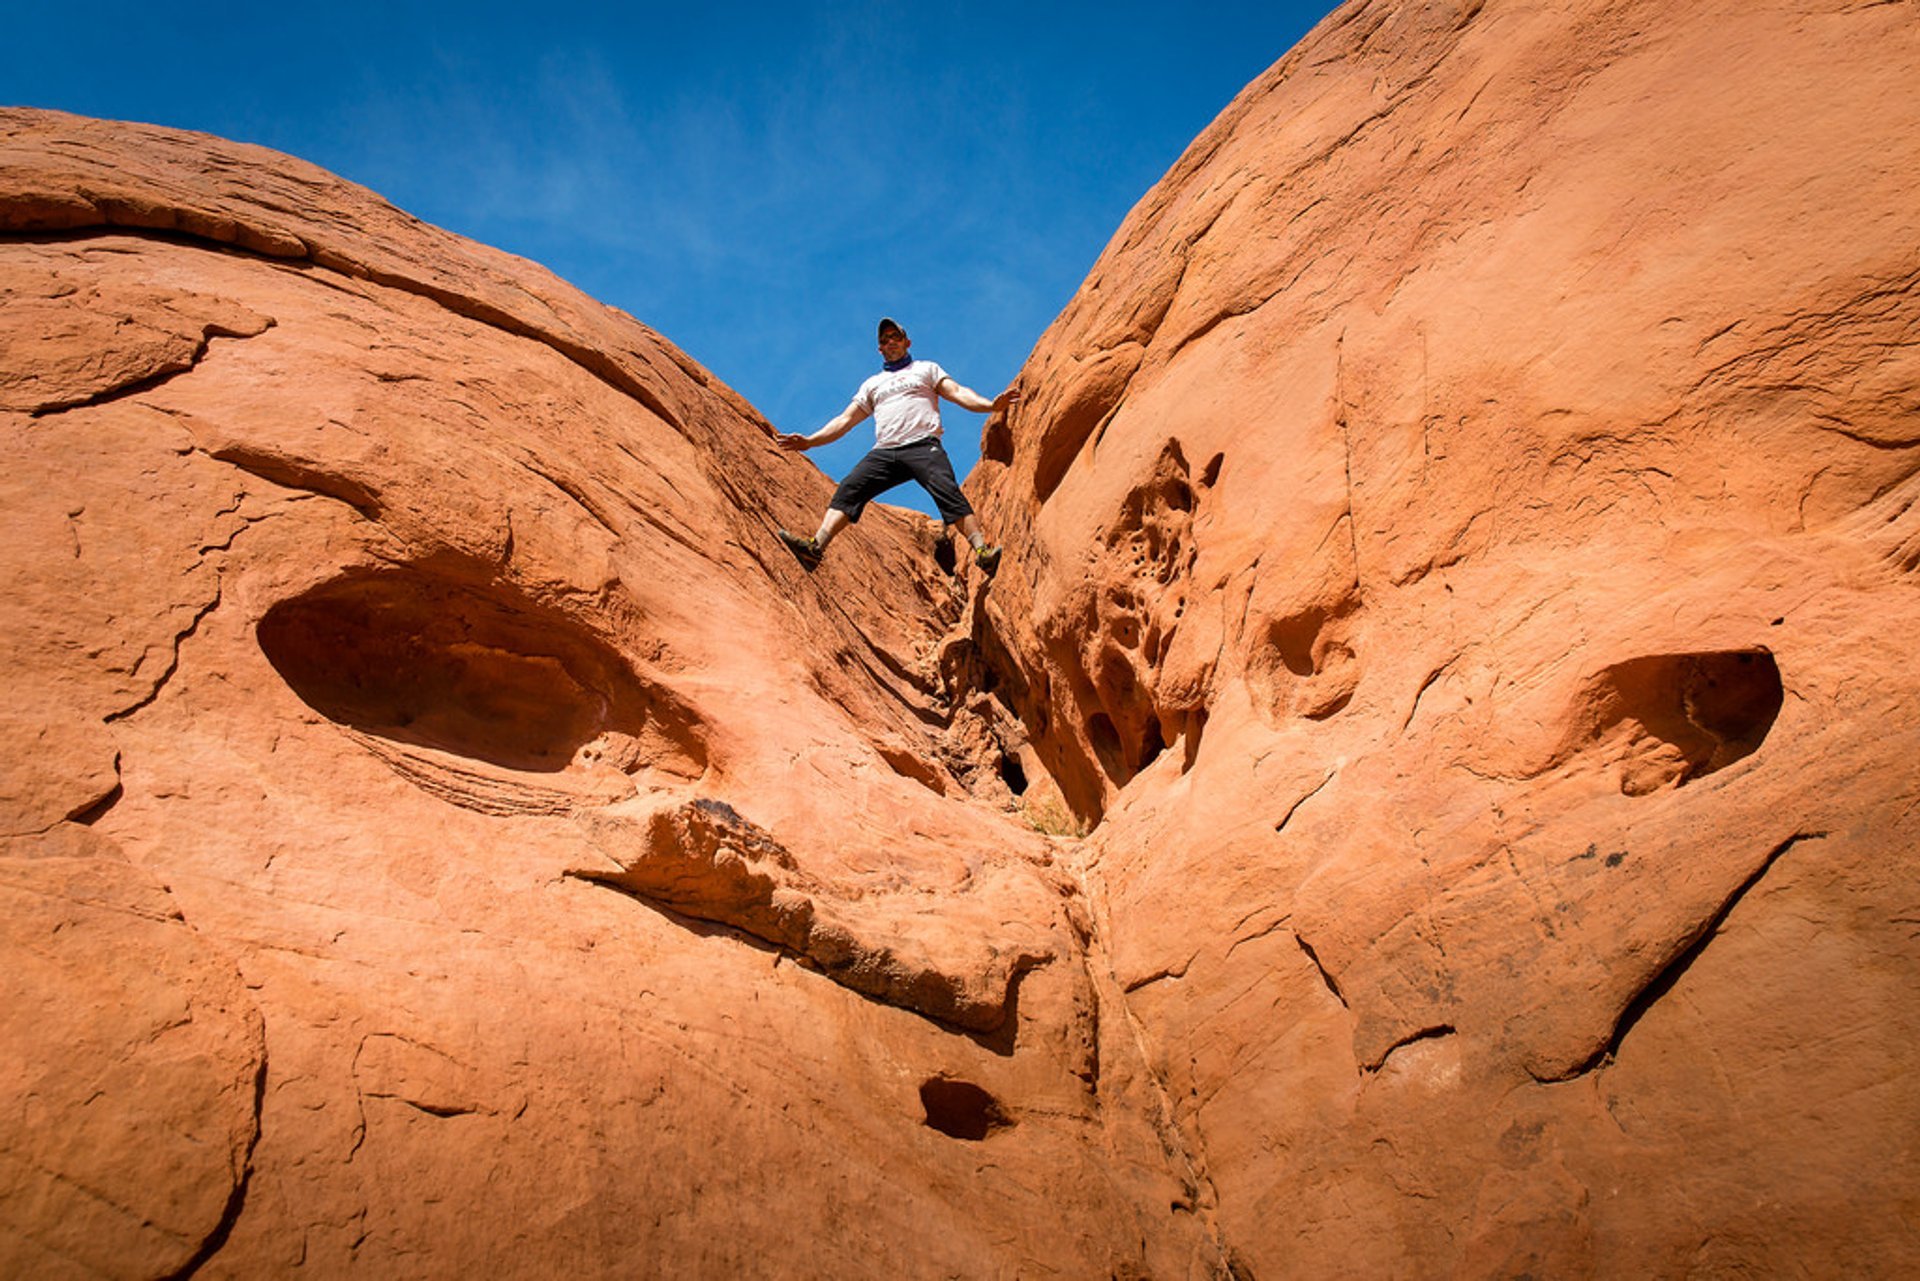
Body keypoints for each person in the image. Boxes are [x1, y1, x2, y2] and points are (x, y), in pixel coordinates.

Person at [776, 318, 1019, 573]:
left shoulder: (926, 369)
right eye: (884, 340)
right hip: (885, 451)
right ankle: (815, 548)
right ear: (879, 349)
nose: (890, 342)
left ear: (907, 342)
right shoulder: (872, 385)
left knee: (948, 492)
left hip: (923, 445)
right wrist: (810, 441)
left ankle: (983, 552)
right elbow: (845, 420)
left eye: (895, 337)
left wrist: (991, 406)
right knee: (849, 489)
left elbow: (958, 392)